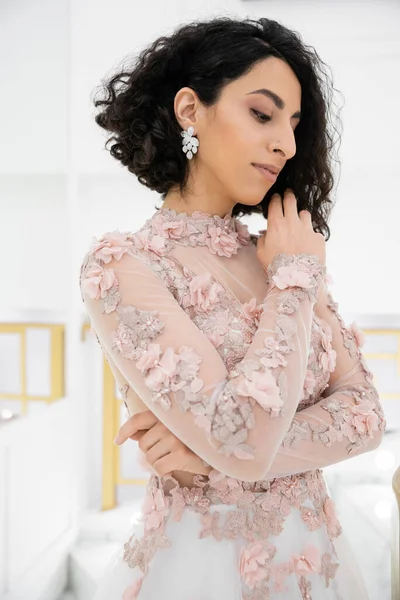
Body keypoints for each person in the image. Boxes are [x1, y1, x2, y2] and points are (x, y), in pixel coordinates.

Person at [79, 16, 386, 599]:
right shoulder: (124, 266)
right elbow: (244, 440)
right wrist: (295, 282)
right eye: (263, 114)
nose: (287, 145)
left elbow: (367, 416)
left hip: (317, 560)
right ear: (191, 110)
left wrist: (211, 457)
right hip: (202, 569)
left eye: (295, 125)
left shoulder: (279, 248)